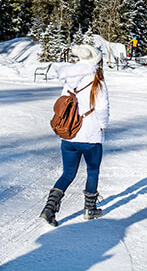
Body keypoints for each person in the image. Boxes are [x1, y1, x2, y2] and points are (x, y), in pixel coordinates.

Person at [40, 44, 110, 227]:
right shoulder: (97, 82)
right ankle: (90, 209)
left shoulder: (69, 80)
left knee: (67, 173)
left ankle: (49, 209)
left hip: (69, 135)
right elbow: (102, 109)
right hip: (90, 136)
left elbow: (63, 106)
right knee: (92, 171)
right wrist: (102, 126)